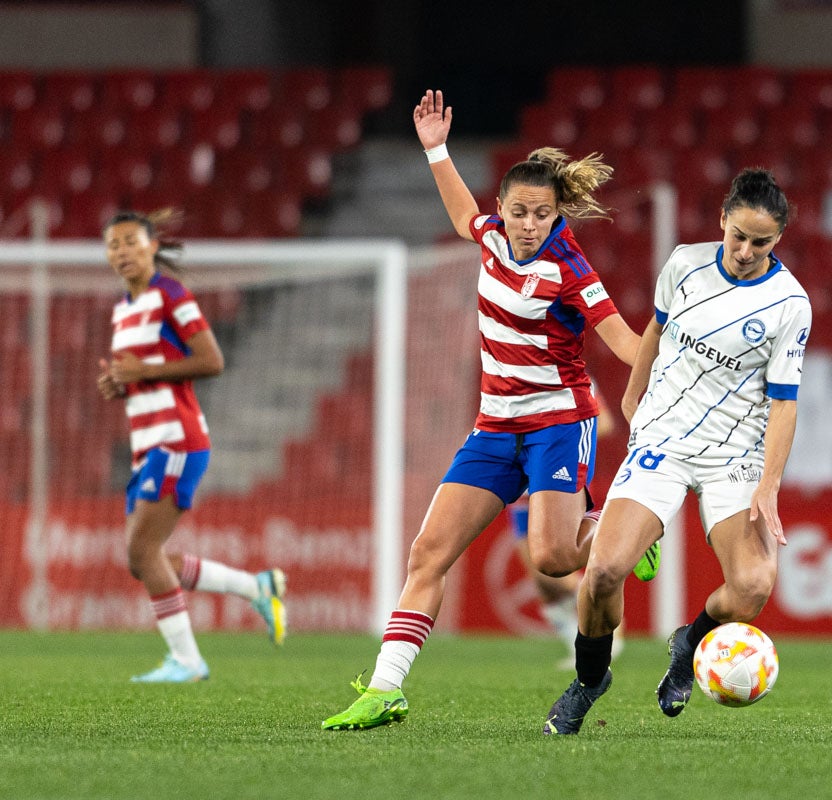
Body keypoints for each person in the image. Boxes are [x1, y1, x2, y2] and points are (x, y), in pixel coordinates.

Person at [321, 89, 644, 731]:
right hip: (495, 426)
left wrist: (681, 348)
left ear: (557, 216)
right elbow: (463, 212)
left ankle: (626, 530)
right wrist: (436, 150)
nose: (528, 224)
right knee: (427, 553)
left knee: (552, 561)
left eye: (542, 214)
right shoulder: (490, 235)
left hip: (558, 424)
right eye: (519, 211)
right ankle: (385, 689)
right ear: (503, 209)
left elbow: (628, 345)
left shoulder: (571, 270)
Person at [543, 168, 812, 734]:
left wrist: (769, 486)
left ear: (779, 239)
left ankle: (689, 645)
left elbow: (785, 404)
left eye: (761, 242)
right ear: (723, 219)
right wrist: (633, 395)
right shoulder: (686, 264)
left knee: (752, 587)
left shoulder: (790, 305)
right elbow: (656, 331)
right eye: (739, 235)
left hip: (734, 457)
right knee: (603, 572)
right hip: (663, 441)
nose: (745, 251)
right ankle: (589, 681)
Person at [97, 210, 287, 683]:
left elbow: (212, 360)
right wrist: (120, 384)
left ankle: (187, 660)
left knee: (143, 551)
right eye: (113, 245)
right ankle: (256, 587)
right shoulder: (123, 308)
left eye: (130, 241)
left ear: (152, 245)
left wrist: (143, 372)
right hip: (147, 445)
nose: (122, 251)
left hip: (176, 439)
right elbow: (143, 375)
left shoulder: (172, 295)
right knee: (144, 559)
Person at [509, 378, 625, 669]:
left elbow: (605, 424)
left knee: (556, 569)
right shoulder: (513, 371)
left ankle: (608, 625)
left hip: (560, 476)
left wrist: (555, 440)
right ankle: (574, 643)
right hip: (523, 483)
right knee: (541, 579)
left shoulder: (574, 375)